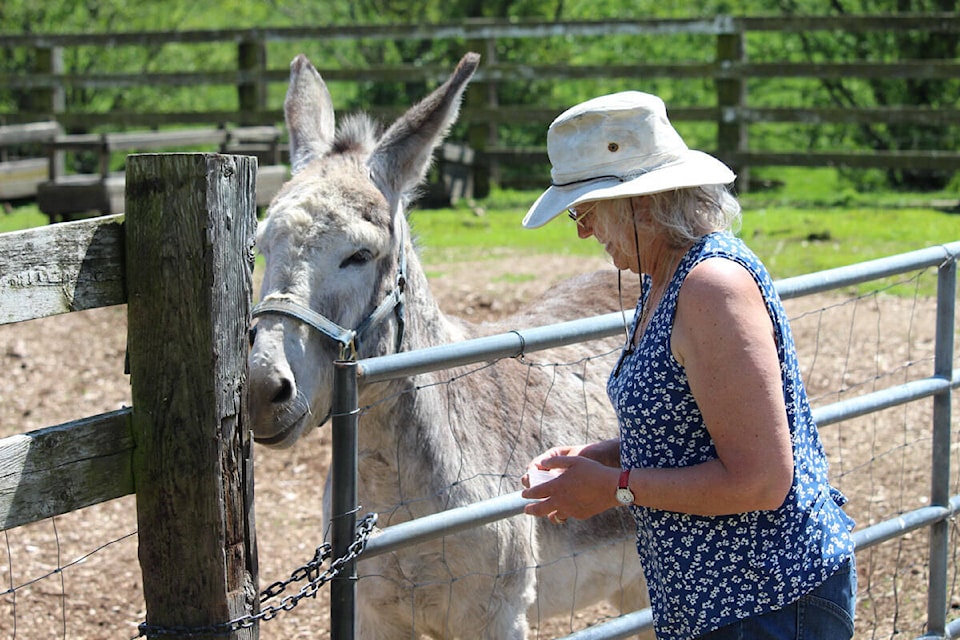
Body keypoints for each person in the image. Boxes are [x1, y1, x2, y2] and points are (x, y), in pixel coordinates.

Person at [519, 91, 857, 639]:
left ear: (641, 203)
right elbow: (693, 430)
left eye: (585, 211)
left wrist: (615, 487)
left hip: (766, 599)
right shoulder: (666, 279)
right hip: (722, 598)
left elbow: (762, 481)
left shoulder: (710, 287)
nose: (582, 230)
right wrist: (601, 456)